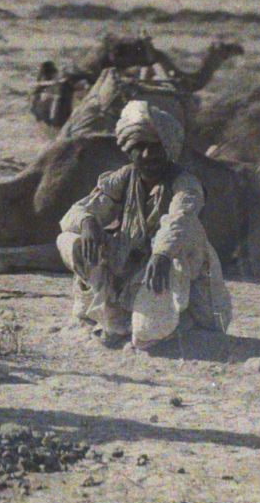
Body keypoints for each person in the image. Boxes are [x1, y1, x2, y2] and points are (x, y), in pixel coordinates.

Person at [58, 99, 232, 349]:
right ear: (129, 150)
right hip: (135, 269)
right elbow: (80, 209)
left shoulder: (185, 184)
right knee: (69, 239)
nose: (149, 154)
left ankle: (184, 319)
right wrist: (88, 222)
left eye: (156, 147)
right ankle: (114, 313)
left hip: (174, 270)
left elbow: (179, 220)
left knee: (146, 336)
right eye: (140, 146)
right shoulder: (123, 178)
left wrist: (162, 253)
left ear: (168, 148)